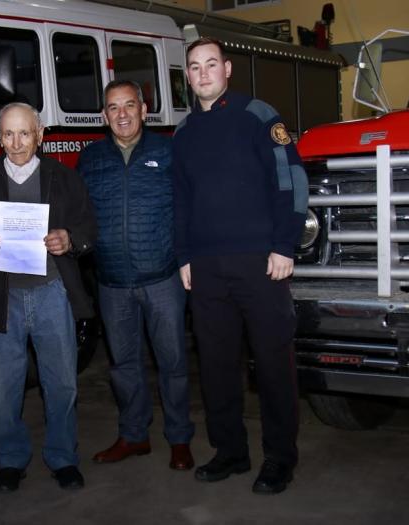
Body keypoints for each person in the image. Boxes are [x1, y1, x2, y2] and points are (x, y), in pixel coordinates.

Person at [172, 37, 308, 495]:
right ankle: (230, 450)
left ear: (227, 69)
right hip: (206, 268)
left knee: (271, 364)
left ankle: (279, 459)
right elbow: (181, 201)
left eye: (212, 64)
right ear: (187, 77)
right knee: (215, 366)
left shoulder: (259, 115)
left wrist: (285, 245)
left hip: (261, 263)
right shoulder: (183, 134)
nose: (204, 72)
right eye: (195, 67)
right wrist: (184, 256)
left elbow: (291, 178)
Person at [0, 102, 97, 493]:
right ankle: (11, 459)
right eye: (8, 134)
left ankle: (63, 457)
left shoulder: (64, 179)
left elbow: (88, 228)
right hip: (3, 296)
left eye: (24, 133)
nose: (16, 143)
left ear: (41, 135)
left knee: (62, 383)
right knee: (4, 386)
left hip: (53, 294)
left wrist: (70, 239)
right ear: (0, 138)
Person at [77, 80, 195, 471]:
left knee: (173, 362)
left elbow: (189, 209)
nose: (122, 114)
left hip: (162, 278)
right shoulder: (90, 159)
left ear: (145, 110)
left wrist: (188, 258)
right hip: (112, 282)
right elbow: (79, 217)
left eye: (130, 105)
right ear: (104, 115)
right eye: (114, 107)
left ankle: (179, 439)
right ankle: (134, 435)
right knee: (123, 365)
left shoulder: (169, 151)